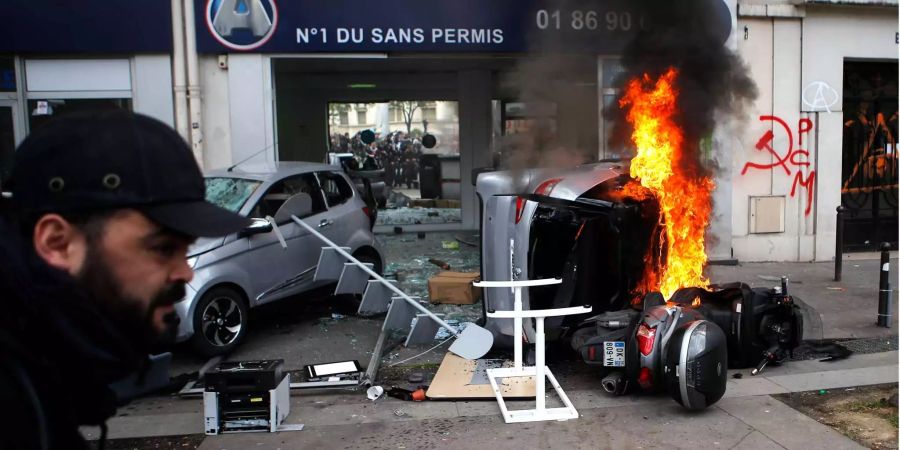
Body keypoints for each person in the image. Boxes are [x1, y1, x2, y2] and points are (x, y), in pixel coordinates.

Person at [0, 111, 251, 449]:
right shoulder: (12, 399)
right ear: (57, 242)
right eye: (162, 248)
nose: (185, 272)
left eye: (184, 248)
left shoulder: (44, 364)